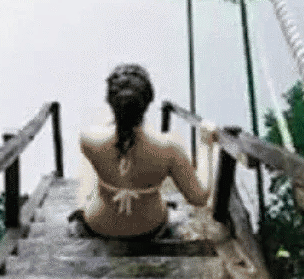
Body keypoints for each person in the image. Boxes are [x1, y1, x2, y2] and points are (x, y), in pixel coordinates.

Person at [72, 63, 216, 240]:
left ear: (110, 101)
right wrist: (205, 144)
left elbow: (118, 141)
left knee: (92, 188)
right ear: (148, 101)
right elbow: (199, 198)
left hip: (99, 224)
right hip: (149, 228)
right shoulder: (169, 148)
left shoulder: (88, 139)